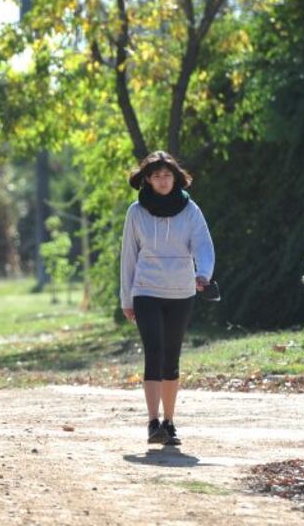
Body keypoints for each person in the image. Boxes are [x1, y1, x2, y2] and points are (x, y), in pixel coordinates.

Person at [120, 150, 215, 446]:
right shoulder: (136, 212)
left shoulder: (191, 211)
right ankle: (152, 423)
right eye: (157, 176)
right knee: (154, 352)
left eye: (167, 175)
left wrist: (204, 274)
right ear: (147, 179)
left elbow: (203, 244)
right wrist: (127, 298)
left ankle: (170, 422)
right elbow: (128, 257)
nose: (163, 181)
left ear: (176, 178)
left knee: (171, 356)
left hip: (181, 290)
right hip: (146, 289)